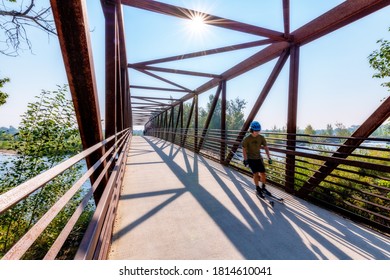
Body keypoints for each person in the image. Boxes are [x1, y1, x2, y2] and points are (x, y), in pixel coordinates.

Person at [242, 121, 272, 198]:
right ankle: (257, 188)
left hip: (259, 158)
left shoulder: (261, 137)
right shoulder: (247, 139)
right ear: (251, 130)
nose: (257, 132)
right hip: (251, 159)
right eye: (255, 131)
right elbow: (244, 150)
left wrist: (269, 157)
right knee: (255, 174)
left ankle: (263, 187)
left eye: (258, 131)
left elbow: (266, 148)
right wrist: (245, 160)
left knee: (263, 173)